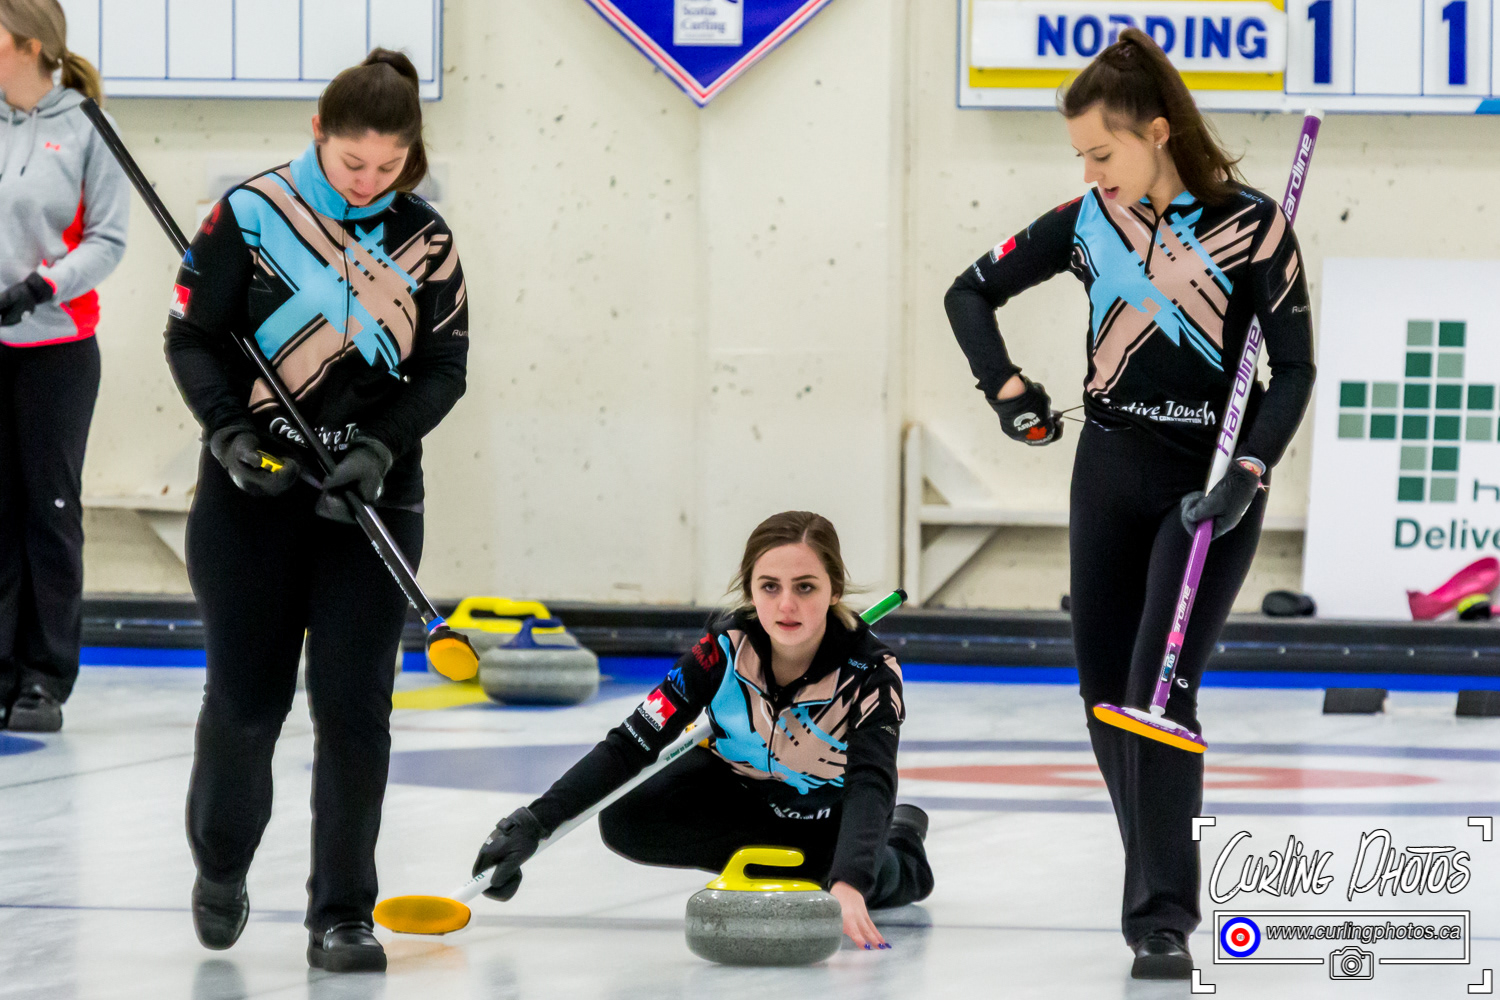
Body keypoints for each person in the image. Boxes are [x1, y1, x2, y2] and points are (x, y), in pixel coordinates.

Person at [944, 29, 1314, 980]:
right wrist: (1006, 390)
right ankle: (1157, 864)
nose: (1090, 172)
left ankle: (1161, 914)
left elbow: (1295, 370)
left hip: (1211, 487)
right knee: (1106, 695)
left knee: (1159, 692)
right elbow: (969, 293)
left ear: (1156, 132)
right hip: (1109, 470)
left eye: (1101, 152)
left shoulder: (1255, 227)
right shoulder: (1086, 221)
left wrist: (1251, 471)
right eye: (1080, 156)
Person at [163, 49, 468, 974]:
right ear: (317, 136)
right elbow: (191, 337)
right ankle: (221, 864)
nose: (369, 181)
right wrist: (228, 436)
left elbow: (444, 369)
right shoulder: (250, 215)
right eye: (352, 163)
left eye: (389, 165)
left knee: (355, 711)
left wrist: (379, 449)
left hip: (370, 508)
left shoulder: (426, 240)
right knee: (246, 705)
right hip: (251, 503)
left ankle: (341, 914)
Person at [472, 511, 934, 950]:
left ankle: (902, 843)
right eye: (769, 586)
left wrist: (850, 882)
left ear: (835, 590)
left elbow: (870, 782)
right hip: (735, 791)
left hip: (824, 814)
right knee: (627, 819)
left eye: (805, 586)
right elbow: (630, 744)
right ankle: (792, 862)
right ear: (750, 590)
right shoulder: (722, 649)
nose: (786, 604)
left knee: (863, 873)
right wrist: (531, 824)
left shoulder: (871, 671)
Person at [0, 0, 127, 732]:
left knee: (48, 511)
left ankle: (43, 678)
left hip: (56, 348)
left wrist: (42, 287)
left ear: (27, 43)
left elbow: (108, 238)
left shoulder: (87, 128)